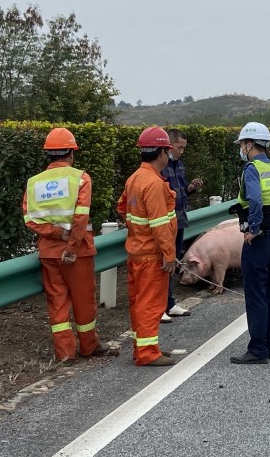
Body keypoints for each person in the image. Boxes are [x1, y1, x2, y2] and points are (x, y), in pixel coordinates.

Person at [22, 128, 112, 362]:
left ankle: (64, 354)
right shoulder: (80, 178)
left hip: (49, 253)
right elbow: (81, 218)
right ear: (71, 153)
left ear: (49, 155)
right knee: (84, 301)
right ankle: (89, 347)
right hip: (77, 253)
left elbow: (29, 219)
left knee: (57, 302)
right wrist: (71, 246)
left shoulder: (34, 183)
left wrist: (56, 233)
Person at [229, 122, 270, 365]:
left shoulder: (251, 169)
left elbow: (255, 200)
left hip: (257, 242)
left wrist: (254, 229)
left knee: (255, 295)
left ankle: (257, 349)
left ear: (249, 144)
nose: (241, 149)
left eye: (241, 144)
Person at [117, 127, 179, 367]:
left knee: (138, 303)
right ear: (162, 152)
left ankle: (144, 347)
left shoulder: (134, 179)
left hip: (137, 251)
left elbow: (123, 208)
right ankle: (147, 353)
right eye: (168, 151)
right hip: (151, 254)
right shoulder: (153, 183)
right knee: (151, 304)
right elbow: (160, 224)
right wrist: (169, 254)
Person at [161, 128, 203, 322]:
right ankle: (160, 306)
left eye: (184, 148)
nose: (181, 151)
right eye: (179, 147)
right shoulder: (160, 166)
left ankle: (169, 303)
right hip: (165, 223)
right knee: (163, 264)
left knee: (174, 261)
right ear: (169, 145)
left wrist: (191, 188)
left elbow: (180, 192)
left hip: (180, 220)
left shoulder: (179, 165)